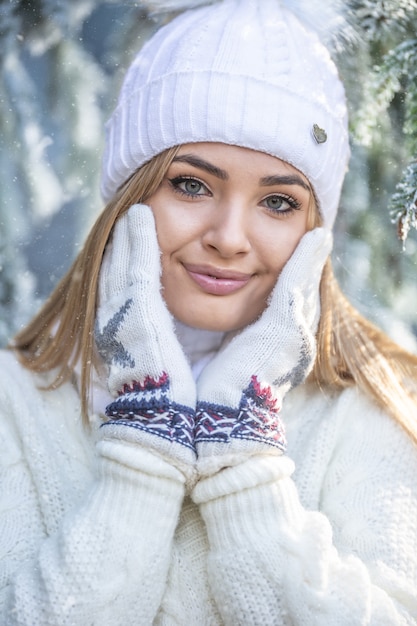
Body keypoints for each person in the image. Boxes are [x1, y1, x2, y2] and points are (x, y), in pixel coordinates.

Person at [1, 0, 417, 623]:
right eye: (191, 185)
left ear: (315, 234)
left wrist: (244, 454)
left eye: (277, 201)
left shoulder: (378, 413)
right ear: (129, 200)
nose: (229, 236)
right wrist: (146, 439)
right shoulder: (15, 402)